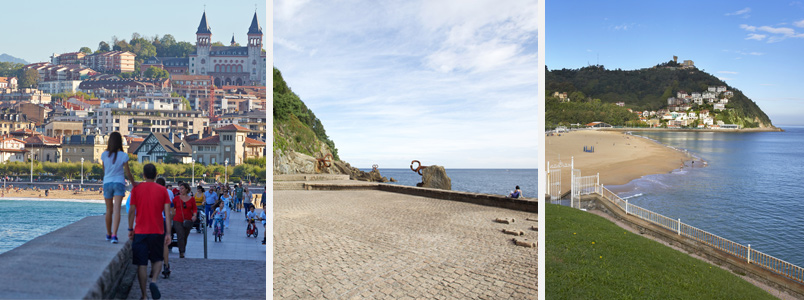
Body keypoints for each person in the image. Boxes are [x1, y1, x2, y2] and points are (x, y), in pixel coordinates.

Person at [127, 163, 171, 300]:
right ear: (156, 174)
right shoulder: (162, 190)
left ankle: (144, 295)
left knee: (142, 263)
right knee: (157, 259)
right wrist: (168, 233)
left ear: (144, 175)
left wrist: (130, 228)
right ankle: (154, 281)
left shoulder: (136, 189)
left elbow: (132, 211)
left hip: (140, 231)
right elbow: (167, 213)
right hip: (157, 231)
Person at [102, 131, 137, 244]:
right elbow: (128, 172)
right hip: (119, 183)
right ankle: (114, 235)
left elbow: (104, 171)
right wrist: (134, 183)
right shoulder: (124, 156)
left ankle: (107, 233)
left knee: (108, 210)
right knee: (117, 209)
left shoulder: (104, 155)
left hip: (107, 182)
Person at [172, 182, 197, 259]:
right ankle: (181, 252)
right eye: (180, 188)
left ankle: (182, 249)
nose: (180, 190)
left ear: (186, 189)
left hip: (188, 220)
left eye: (182, 188)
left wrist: (194, 216)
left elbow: (195, 209)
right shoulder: (176, 198)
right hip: (177, 219)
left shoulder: (192, 199)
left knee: (185, 236)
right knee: (180, 235)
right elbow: (172, 208)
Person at [155, 177, 174, 278]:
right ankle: (166, 266)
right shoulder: (169, 193)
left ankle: (154, 267)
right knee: (165, 245)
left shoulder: (152, 192)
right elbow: (172, 209)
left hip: (153, 220)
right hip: (163, 220)